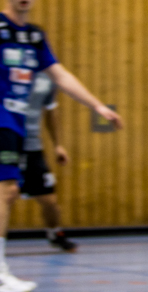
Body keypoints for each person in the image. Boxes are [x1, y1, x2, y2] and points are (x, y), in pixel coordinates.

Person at [0, 0, 124, 292]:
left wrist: (97, 105)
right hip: (1, 119)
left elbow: (61, 75)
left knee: (8, 192)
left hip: (15, 120)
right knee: (6, 191)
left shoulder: (34, 37)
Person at [21, 70, 76, 252]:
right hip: (7, 144)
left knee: (49, 200)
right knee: (6, 194)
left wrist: (58, 145)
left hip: (32, 148)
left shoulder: (47, 77)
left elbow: (51, 111)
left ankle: (55, 233)